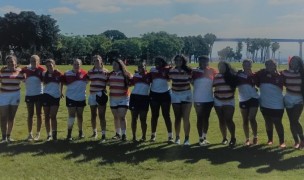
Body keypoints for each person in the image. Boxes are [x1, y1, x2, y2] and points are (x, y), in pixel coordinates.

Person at [255, 59, 285, 148]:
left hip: (277, 103)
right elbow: (251, 76)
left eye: (271, 64)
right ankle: (270, 139)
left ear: (275, 65)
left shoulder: (281, 75)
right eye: (267, 65)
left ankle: (282, 141)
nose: (269, 66)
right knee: (268, 122)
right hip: (264, 103)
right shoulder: (261, 74)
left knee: (277, 122)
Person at [192, 55, 217, 146]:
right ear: (199, 62)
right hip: (198, 99)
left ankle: (204, 137)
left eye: (205, 61)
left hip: (209, 99)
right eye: (201, 61)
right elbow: (190, 81)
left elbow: (217, 80)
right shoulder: (194, 71)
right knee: (200, 118)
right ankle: (200, 138)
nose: (203, 63)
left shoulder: (212, 71)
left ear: (208, 62)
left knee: (206, 118)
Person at [0, 55, 25, 143]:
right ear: (6, 63)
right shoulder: (2, 71)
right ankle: (3, 138)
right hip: (4, 96)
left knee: (11, 116)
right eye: (8, 62)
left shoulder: (20, 71)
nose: (10, 63)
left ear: (15, 62)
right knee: (3, 117)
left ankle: (8, 136)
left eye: (12, 62)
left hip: (15, 95)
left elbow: (26, 81)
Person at [168, 55, 192, 145]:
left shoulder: (188, 70)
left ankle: (187, 138)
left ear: (183, 61)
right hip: (175, 95)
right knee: (177, 118)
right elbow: (166, 79)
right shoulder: (171, 71)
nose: (178, 62)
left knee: (186, 118)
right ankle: (177, 137)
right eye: (176, 60)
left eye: (180, 60)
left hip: (186, 94)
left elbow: (192, 81)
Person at [281, 56, 304, 149]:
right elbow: (277, 78)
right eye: (292, 61)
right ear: (290, 63)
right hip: (288, 98)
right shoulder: (285, 72)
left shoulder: (302, 73)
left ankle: (302, 139)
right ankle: (296, 141)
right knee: (291, 121)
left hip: (299, 99)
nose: (293, 63)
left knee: (295, 120)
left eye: (296, 62)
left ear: (299, 63)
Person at [213, 61, 238, 147]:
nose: (221, 68)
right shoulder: (215, 76)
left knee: (229, 119)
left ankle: (233, 138)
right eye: (219, 67)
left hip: (229, 100)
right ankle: (224, 138)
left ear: (227, 67)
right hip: (218, 100)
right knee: (221, 120)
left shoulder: (232, 76)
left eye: (223, 67)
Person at [62, 59, 88, 141]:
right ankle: (69, 134)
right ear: (72, 65)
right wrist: (61, 91)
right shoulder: (67, 73)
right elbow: (62, 82)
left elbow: (88, 81)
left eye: (78, 64)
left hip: (81, 98)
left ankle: (81, 132)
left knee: (80, 116)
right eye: (75, 64)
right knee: (71, 116)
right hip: (70, 98)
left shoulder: (85, 74)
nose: (76, 66)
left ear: (81, 65)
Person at [21, 55, 45, 141]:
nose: (33, 62)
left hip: (39, 94)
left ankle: (38, 133)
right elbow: (16, 70)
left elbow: (46, 78)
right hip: (29, 95)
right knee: (30, 115)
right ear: (29, 61)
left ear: (38, 61)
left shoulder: (42, 70)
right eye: (32, 61)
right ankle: (30, 134)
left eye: (35, 61)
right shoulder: (25, 69)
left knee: (39, 114)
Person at [149, 56, 173, 143]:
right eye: (155, 61)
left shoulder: (167, 69)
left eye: (159, 62)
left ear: (163, 62)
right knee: (154, 115)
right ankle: (153, 135)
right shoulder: (152, 70)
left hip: (165, 94)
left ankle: (170, 136)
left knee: (166, 115)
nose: (157, 63)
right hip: (154, 94)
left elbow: (171, 77)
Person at [108, 59, 132, 141]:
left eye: (115, 64)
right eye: (113, 64)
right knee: (116, 117)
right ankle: (117, 134)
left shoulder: (126, 74)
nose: (113, 66)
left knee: (122, 117)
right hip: (113, 98)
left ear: (120, 65)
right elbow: (106, 83)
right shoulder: (110, 74)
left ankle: (124, 134)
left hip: (123, 98)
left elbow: (131, 82)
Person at [236, 59, 259, 146]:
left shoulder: (254, 75)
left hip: (254, 98)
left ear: (251, 65)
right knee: (245, 120)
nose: (247, 66)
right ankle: (247, 138)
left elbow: (258, 84)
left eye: (248, 64)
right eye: (245, 64)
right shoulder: (238, 74)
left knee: (252, 118)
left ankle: (255, 136)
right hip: (243, 99)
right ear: (242, 65)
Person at [87, 55, 108, 142]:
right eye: (94, 60)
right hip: (92, 94)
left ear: (101, 60)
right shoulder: (90, 72)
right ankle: (95, 132)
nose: (96, 62)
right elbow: (86, 80)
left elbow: (109, 82)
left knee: (102, 115)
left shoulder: (106, 72)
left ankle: (103, 134)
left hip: (100, 95)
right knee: (93, 115)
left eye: (98, 60)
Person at [41, 59, 63, 141]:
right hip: (46, 96)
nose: (49, 67)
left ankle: (54, 135)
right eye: (47, 65)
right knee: (46, 116)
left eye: (50, 65)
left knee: (53, 116)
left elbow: (62, 82)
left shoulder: (58, 73)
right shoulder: (44, 74)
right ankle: (48, 135)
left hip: (55, 97)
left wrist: (61, 92)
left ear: (54, 65)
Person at [129, 62, 150, 142]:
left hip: (144, 98)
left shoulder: (149, 75)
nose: (140, 68)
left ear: (145, 67)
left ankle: (143, 137)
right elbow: (130, 83)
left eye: (142, 66)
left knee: (143, 118)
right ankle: (134, 137)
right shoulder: (135, 76)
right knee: (134, 118)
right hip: (134, 97)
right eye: (139, 66)